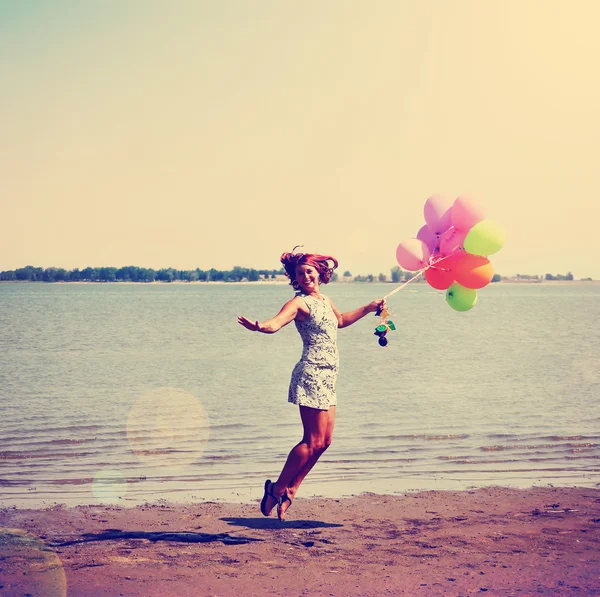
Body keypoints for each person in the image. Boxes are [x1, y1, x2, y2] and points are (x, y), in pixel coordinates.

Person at [237, 249, 386, 521]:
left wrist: (368, 308)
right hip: (312, 374)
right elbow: (275, 323)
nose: (305, 276)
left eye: (309, 271)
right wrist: (260, 327)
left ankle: (291, 490)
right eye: (300, 274)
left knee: (325, 442)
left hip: (329, 375)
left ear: (319, 273)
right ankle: (276, 489)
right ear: (295, 279)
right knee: (312, 441)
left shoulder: (326, 300)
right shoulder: (298, 303)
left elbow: (340, 322)